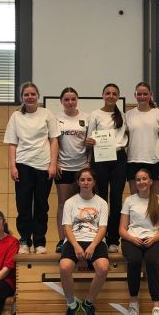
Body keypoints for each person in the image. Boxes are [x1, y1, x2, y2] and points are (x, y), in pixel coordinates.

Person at [4, 81, 60, 254]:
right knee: (23, 205)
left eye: (33, 94)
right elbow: (12, 143)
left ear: (38, 96)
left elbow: (54, 140)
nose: (30, 97)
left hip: (43, 166)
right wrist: (13, 166)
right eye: (26, 94)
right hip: (23, 165)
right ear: (22, 97)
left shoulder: (47, 114)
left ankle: (39, 242)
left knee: (42, 206)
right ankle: (24, 241)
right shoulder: (16, 116)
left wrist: (53, 164)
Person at [60, 168, 109, 315]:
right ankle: (72, 305)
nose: (86, 183)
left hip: (95, 240)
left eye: (89, 180)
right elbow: (67, 227)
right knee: (64, 267)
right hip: (74, 240)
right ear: (78, 182)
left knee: (103, 268)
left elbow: (102, 228)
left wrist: (93, 245)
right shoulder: (70, 202)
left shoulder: (102, 203)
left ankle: (88, 303)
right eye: (82, 180)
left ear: (94, 182)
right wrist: (75, 246)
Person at [119, 168, 159, 315]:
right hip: (131, 240)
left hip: (153, 240)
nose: (141, 182)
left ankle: (157, 307)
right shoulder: (129, 200)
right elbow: (122, 229)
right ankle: (133, 304)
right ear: (135, 182)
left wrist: (154, 239)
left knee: (152, 262)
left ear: (151, 181)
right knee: (134, 261)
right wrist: (132, 239)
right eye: (138, 179)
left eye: (144, 178)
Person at [86, 83, 128, 252]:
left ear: (118, 97)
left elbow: (128, 136)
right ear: (103, 95)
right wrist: (89, 142)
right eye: (108, 93)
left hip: (119, 158)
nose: (111, 96)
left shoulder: (123, 115)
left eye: (114, 93)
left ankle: (113, 240)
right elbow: (89, 139)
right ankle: (100, 237)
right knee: (101, 198)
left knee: (116, 199)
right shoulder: (95, 114)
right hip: (100, 157)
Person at [54, 87, 90, 253]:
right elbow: (53, 142)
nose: (70, 102)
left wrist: (89, 162)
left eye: (73, 99)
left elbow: (91, 142)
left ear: (77, 100)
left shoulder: (86, 118)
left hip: (82, 168)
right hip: (63, 167)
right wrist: (55, 162)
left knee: (81, 204)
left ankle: (81, 238)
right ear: (61, 101)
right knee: (63, 204)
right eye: (66, 99)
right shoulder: (56, 119)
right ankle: (62, 240)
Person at [125, 81, 159, 196]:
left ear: (151, 94)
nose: (142, 97)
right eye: (139, 94)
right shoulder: (128, 115)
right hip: (133, 161)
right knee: (135, 199)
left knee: (154, 199)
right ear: (135, 95)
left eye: (145, 94)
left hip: (155, 161)